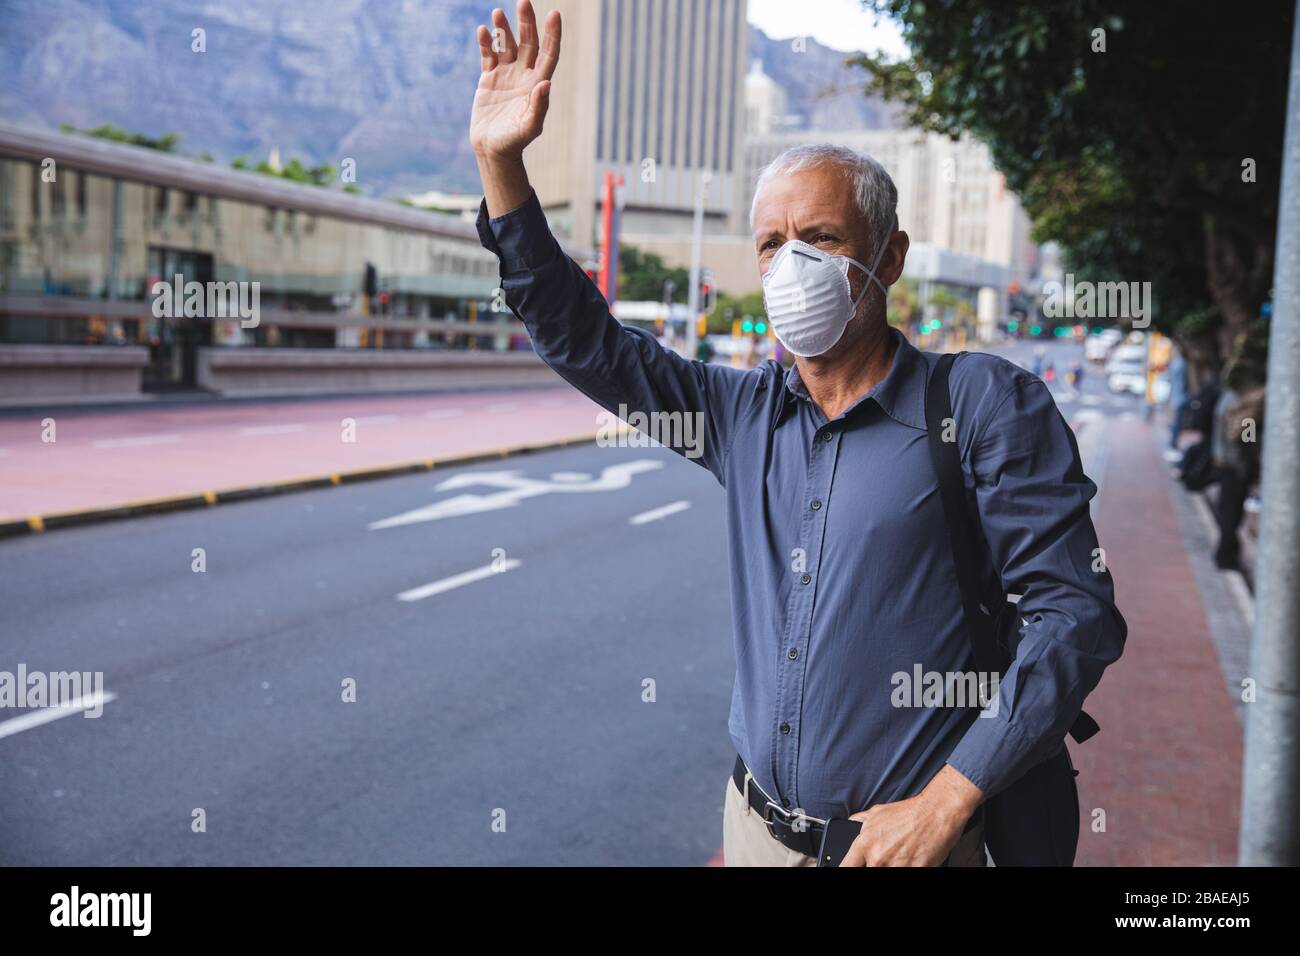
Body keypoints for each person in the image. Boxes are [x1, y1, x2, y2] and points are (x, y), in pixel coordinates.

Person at [468, 1, 1125, 867]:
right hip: (756, 833)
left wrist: (947, 800)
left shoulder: (983, 405)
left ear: (887, 258)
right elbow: (585, 341)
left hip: (911, 847)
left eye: (820, 237)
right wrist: (501, 166)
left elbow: (1072, 615)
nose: (790, 266)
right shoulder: (742, 416)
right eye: (772, 244)